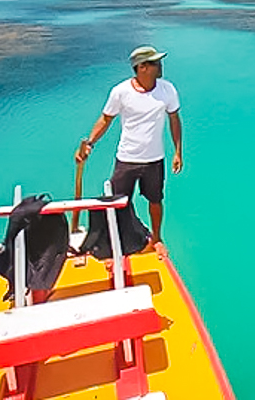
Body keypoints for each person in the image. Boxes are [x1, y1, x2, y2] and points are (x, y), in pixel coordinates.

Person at [75, 46, 183, 255]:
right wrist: (89, 143)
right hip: (127, 158)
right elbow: (106, 119)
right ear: (141, 67)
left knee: (156, 200)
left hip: (154, 159)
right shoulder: (121, 92)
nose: (160, 66)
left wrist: (178, 151)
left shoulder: (167, 89)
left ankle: (157, 239)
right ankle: (114, 244)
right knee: (117, 202)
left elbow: (174, 119)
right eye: (155, 63)